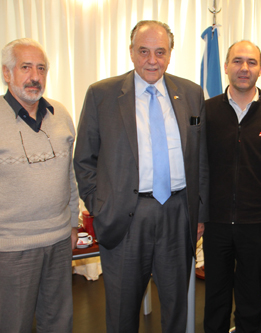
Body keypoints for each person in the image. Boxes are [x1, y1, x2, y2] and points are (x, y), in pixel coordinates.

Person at [73, 20, 209, 333]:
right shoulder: (102, 95)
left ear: (170, 54)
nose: (152, 60)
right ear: (132, 53)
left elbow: (201, 160)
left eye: (160, 52)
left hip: (178, 213)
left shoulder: (190, 93)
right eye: (144, 51)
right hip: (125, 216)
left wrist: (200, 211)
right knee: (122, 310)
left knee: (177, 307)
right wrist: (101, 206)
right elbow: (84, 159)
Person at [0, 38, 79, 332]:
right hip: (9, 249)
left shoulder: (60, 114)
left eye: (41, 68)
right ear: (7, 73)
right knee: (14, 325)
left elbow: (69, 176)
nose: (35, 76)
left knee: (59, 322)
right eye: (26, 67)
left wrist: (72, 224)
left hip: (57, 242)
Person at [203, 40, 261, 333]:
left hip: (258, 224)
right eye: (237, 61)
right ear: (226, 67)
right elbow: (196, 168)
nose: (244, 68)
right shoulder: (206, 113)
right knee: (215, 298)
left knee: (251, 299)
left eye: (251, 62)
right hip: (214, 223)